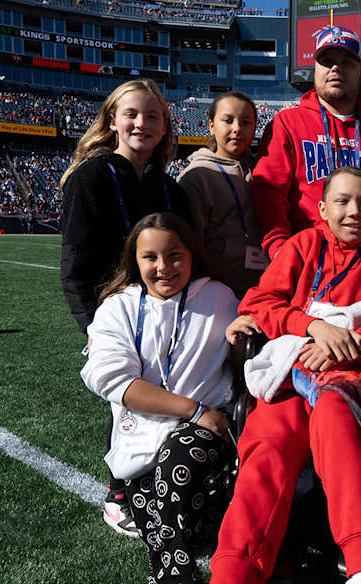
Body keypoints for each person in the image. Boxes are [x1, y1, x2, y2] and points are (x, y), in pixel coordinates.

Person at [210, 167, 361, 584]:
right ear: (322, 209)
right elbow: (260, 301)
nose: (355, 211)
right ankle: (233, 573)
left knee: (335, 412)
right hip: (294, 373)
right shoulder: (304, 245)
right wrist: (312, 327)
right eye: (342, 202)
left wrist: (360, 336)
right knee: (268, 444)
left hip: (358, 378)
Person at [60, 78, 193, 537]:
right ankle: (118, 494)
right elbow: (74, 263)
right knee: (126, 400)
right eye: (132, 114)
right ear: (112, 120)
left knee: (167, 393)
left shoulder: (170, 188)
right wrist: (91, 326)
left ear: (165, 126)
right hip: (114, 312)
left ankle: (157, 483)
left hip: (166, 308)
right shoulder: (90, 177)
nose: (142, 123)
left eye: (153, 116)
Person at [81, 212, 238, 583]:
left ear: (192, 255)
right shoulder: (117, 307)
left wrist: (245, 329)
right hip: (144, 429)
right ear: (134, 261)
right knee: (158, 517)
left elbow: (245, 349)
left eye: (175, 255)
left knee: (177, 468)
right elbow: (111, 379)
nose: (163, 267)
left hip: (208, 428)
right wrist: (191, 409)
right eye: (150, 257)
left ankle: (172, 577)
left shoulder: (218, 297)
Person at [251, 26, 361, 259]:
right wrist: (279, 247)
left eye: (346, 62)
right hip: (308, 257)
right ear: (315, 69)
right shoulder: (288, 122)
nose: (336, 68)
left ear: (359, 70)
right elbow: (269, 191)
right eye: (327, 62)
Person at [179, 91, 266, 298]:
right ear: (211, 125)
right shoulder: (197, 176)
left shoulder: (262, 168)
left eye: (246, 122)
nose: (237, 128)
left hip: (263, 286)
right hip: (218, 291)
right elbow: (191, 243)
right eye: (228, 120)